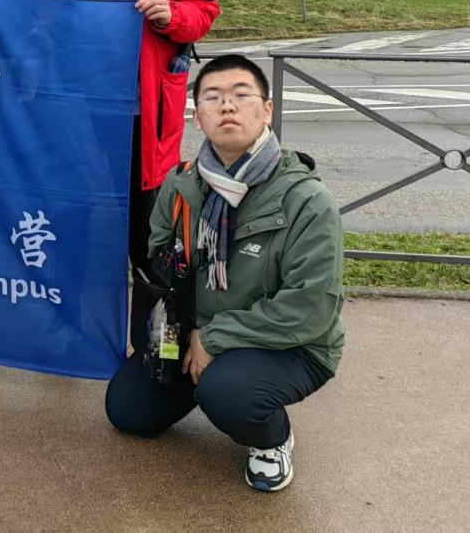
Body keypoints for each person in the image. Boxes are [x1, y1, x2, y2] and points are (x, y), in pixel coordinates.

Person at [105, 54, 344, 493]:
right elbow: (163, 272)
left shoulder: (306, 201)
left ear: (267, 110)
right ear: (198, 118)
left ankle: (271, 438)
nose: (227, 106)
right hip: (195, 331)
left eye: (241, 95)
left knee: (228, 394)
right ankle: (209, 381)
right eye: (212, 98)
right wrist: (166, 337)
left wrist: (214, 338)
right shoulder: (181, 185)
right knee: (127, 409)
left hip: (291, 344)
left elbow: (309, 309)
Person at [31, 0, 220, 353]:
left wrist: (171, 14)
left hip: (144, 111)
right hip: (79, 111)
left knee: (147, 235)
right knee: (76, 223)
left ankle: (151, 347)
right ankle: (72, 332)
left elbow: (205, 10)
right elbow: (43, 18)